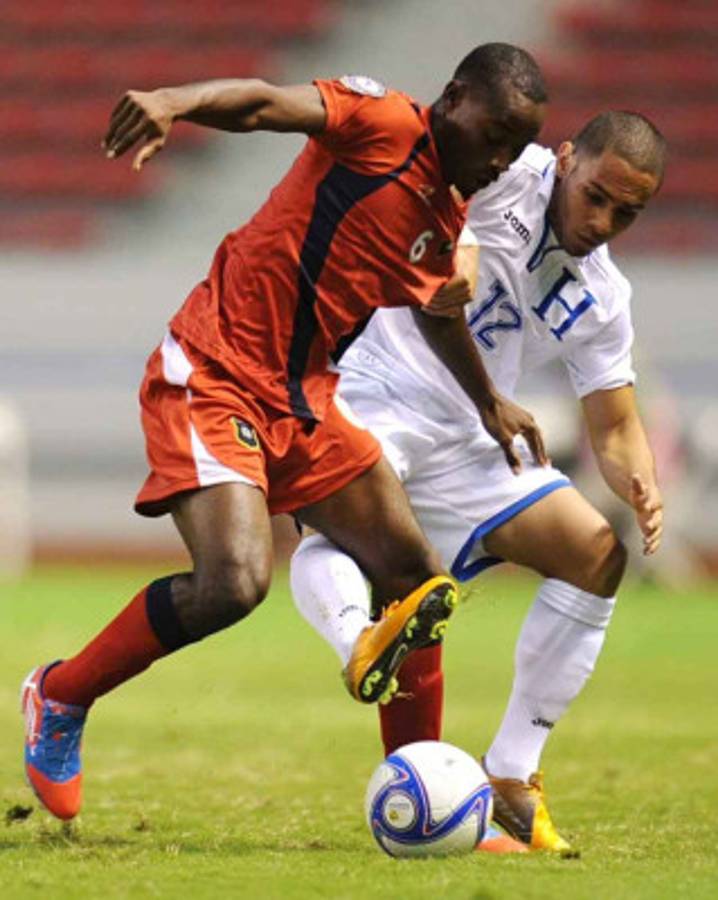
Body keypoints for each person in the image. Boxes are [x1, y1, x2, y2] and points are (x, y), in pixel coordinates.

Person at [21, 44, 550, 821]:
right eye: (495, 134)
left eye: (517, 147)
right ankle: (61, 694)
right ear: (453, 98)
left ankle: (425, 799)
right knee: (233, 582)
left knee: (415, 581)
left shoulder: (444, 212)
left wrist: (487, 402)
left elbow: (435, 309)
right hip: (214, 371)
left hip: (305, 402)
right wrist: (174, 100)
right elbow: (265, 103)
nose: (501, 160)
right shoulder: (380, 120)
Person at [291, 110, 667, 855]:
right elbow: (433, 185)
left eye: (626, 213)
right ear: (565, 158)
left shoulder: (603, 296)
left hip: (475, 433)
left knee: (595, 555)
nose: (602, 222)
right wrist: (455, 247)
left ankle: (512, 775)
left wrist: (642, 482)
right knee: (348, 540)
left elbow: (616, 428)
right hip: (376, 391)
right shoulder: (506, 172)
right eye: (595, 196)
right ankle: (359, 642)